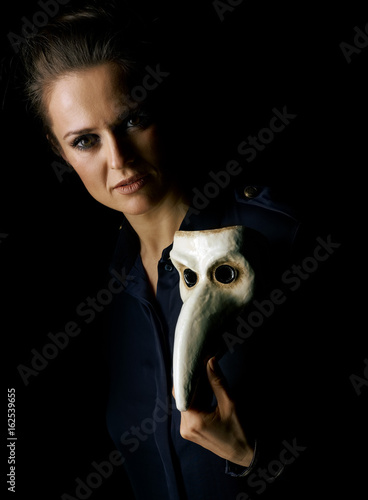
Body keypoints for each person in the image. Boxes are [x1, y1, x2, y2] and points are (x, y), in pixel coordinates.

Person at [19, 2, 308, 498]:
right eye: (86, 141)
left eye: (133, 120)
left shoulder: (278, 237)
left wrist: (257, 458)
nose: (118, 159)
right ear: (58, 150)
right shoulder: (94, 296)